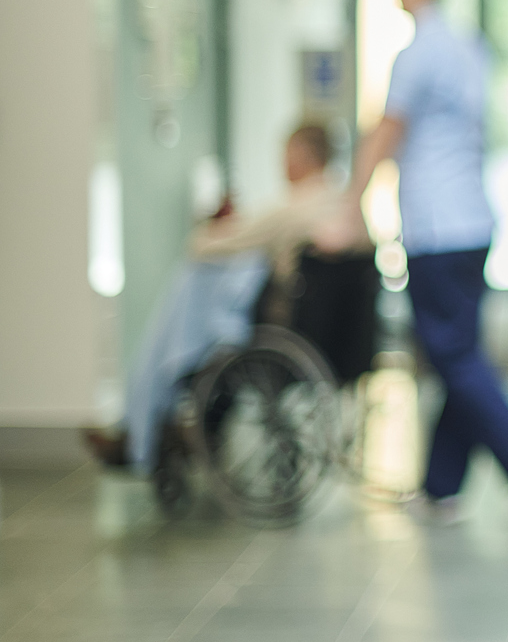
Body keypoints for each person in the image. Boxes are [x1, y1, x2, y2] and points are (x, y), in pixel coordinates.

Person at [348, 0, 508, 526]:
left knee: (453, 354)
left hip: (435, 229)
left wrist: (348, 203)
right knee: (457, 354)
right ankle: (441, 488)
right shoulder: (467, 47)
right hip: (472, 224)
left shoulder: (416, 54)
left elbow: (386, 133)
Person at [86, 123, 369, 471]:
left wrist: (211, 228)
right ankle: (152, 426)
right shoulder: (345, 205)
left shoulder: (296, 207)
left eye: (284, 155)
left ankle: (142, 427)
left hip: (287, 330)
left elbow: (207, 244)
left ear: (302, 156)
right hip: (338, 343)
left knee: (190, 299)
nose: (281, 164)